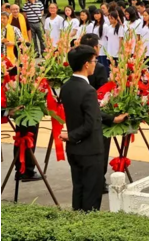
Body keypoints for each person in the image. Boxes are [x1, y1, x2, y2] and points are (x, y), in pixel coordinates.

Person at [59, 45, 106, 212]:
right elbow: (90, 124)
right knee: (91, 196)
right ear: (86, 64)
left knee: (78, 190)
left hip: (74, 150)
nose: (95, 64)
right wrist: (71, 136)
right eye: (94, 61)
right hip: (90, 150)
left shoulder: (66, 86)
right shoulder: (88, 90)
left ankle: (77, 222)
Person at [79, 33, 126, 193]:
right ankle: (99, 181)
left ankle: (88, 179)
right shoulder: (97, 67)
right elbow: (104, 92)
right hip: (98, 113)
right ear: (94, 48)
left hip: (81, 115)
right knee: (100, 150)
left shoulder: (76, 65)